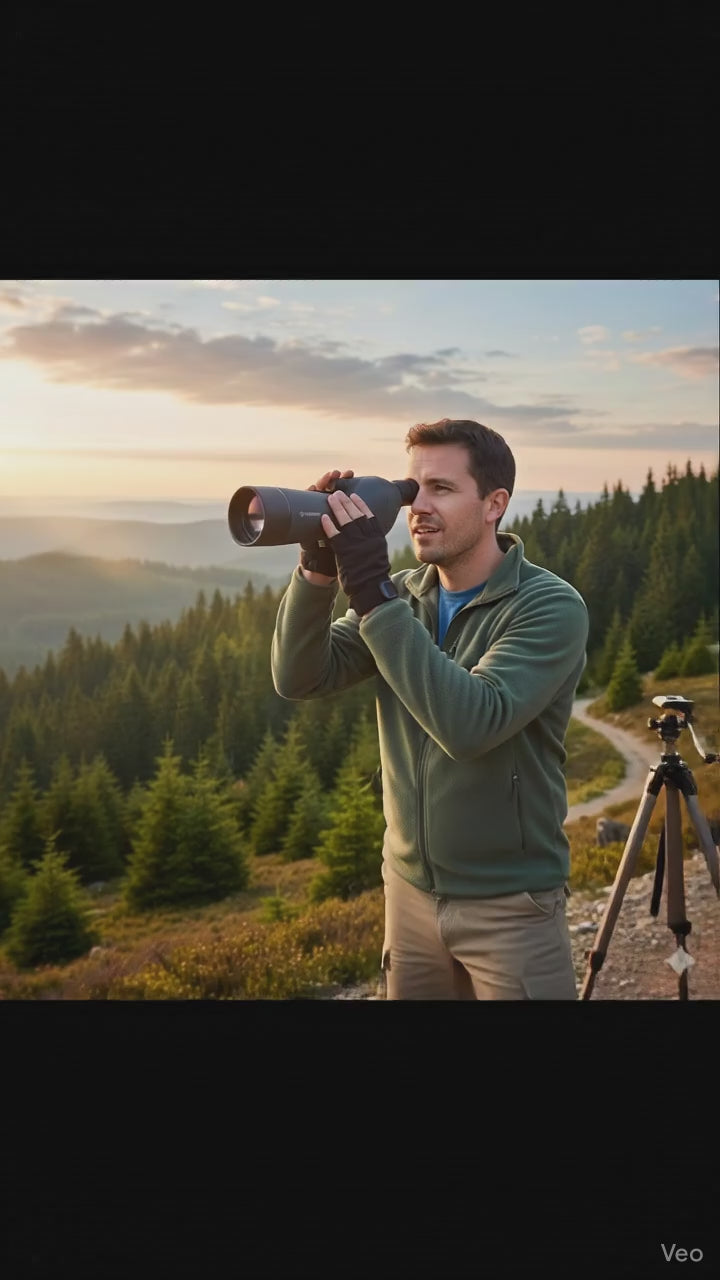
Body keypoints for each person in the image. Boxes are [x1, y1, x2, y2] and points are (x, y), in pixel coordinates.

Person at [271, 419, 589, 1000]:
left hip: (509, 905)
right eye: (412, 489)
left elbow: (471, 725)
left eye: (441, 488)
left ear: (495, 504)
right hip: (408, 895)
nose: (418, 506)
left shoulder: (548, 606)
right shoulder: (404, 596)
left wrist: (370, 591)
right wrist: (318, 568)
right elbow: (300, 676)